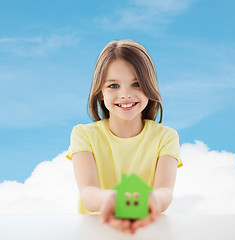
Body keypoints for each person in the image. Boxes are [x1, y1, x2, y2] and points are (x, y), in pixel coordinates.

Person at [66, 39, 183, 234]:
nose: (125, 95)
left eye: (136, 84)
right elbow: (88, 194)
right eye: (113, 86)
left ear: (149, 87)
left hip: (146, 233)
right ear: (100, 92)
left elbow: (164, 193)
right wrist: (114, 200)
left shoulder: (166, 137)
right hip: (95, 234)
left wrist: (153, 200)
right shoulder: (84, 135)